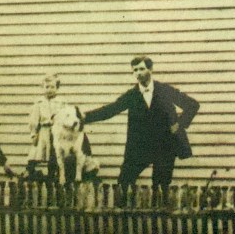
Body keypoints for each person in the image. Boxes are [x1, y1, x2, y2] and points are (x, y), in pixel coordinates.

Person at [82, 56, 199, 192]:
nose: (138, 73)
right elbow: (110, 110)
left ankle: (159, 205)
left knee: (161, 187)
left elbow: (192, 105)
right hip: (140, 147)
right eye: (135, 70)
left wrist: (179, 124)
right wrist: (84, 117)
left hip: (164, 145)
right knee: (124, 181)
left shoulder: (165, 90)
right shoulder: (132, 95)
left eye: (142, 69)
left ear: (151, 69)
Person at [27, 73, 65, 180]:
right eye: (47, 87)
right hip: (43, 131)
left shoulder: (61, 102)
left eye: (52, 87)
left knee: (54, 154)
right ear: (42, 87)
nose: (49, 90)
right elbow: (34, 120)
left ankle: (52, 175)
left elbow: (65, 117)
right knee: (36, 152)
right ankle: (30, 172)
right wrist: (34, 134)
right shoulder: (39, 103)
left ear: (57, 87)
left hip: (57, 132)